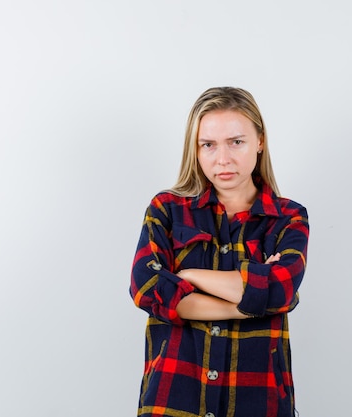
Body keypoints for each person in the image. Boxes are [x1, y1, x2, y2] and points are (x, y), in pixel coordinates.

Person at [129, 87, 309, 417]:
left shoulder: (288, 218)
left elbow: (279, 288)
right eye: (208, 145)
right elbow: (148, 289)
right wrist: (249, 304)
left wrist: (187, 276)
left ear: (260, 141)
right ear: (195, 149)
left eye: (236, 142)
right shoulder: (167, 210)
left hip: (258, 403)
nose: (222, 159)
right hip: (173, 401)